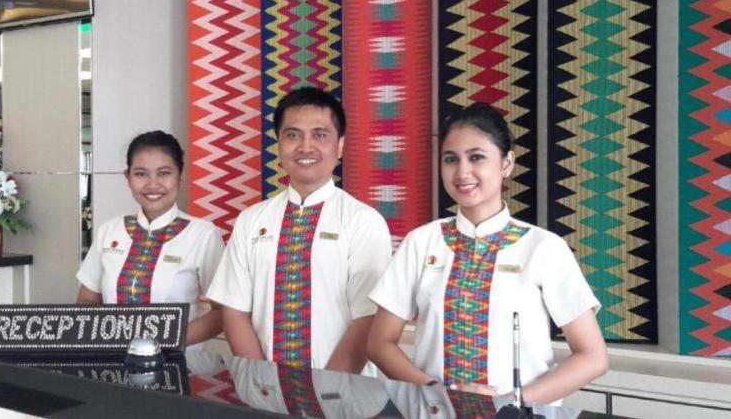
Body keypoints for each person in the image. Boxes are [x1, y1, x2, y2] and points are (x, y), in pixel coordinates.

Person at [367, 103, 608, 404]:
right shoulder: (422, 242)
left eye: (476, 157)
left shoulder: (544, 248)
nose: (462, 172)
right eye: (451, 159)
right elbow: (379, 343)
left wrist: (508, 403)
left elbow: (592, 357)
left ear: (507, 163)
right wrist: (435, 392)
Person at [207, 86, 392, 374]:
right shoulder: (250, 220)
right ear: (278, 145)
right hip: (265, 391)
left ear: (340, 146)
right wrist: (262, 383)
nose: (305, 147)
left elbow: (367, 319)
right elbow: (234, 310)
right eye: (293, 135)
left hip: (346, 391)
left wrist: (329, 389)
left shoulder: (364, 222)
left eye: (320, 135)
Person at [76, 130, 225, 346]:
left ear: (181, 176)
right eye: (141, 174)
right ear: (128, 178)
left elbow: (222, 313)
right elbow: (87, 301)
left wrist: (166, 342)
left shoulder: (203, 234)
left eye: (164, 173)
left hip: (179, 358)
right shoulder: (109, 231)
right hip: (114, 358)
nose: (152, 184)